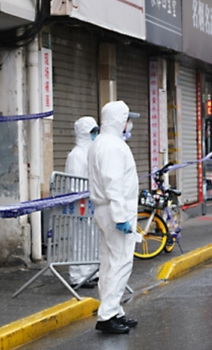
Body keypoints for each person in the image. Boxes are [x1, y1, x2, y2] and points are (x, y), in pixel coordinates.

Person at [88, 101, 141, 334]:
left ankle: (114, 310)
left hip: (106, 210)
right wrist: (121, 216)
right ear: (120, 120)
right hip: (114, 211)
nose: (129, 124)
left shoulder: (102, 143)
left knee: (109, 262)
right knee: (120, 263)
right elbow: (114, 183)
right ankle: (107, 315)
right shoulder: (112, 146)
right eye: (127, 119)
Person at [65, 116, 100, 289]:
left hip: (91, 203)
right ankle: (78, 276)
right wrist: (82, 201)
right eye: (92, 132)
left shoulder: (89, 153)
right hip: (80, 204)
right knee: (80, 240)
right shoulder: (76, 155)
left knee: (91, 239)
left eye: (96, 131)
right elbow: (74, 183)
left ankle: (92, 273)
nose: (95, 135)